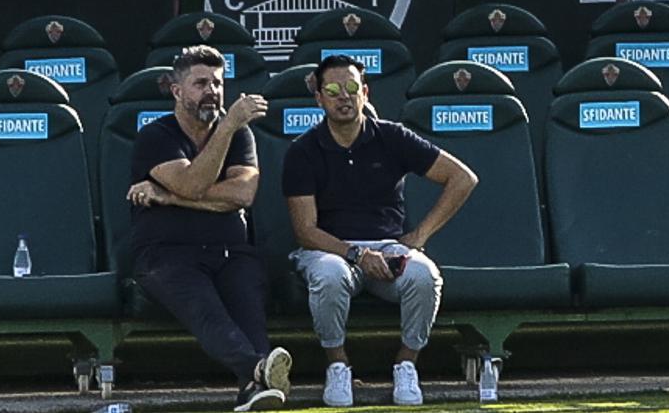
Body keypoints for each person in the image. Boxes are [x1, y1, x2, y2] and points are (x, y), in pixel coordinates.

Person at [282, 55, 478, 407]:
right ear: (319, 99)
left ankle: (406, 365)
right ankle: (338, 366)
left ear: (365, 92)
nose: (343, 96)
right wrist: (357, 254)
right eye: (333, 89)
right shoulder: (302, 151)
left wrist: (418, 237)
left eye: (352, 88)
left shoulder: (392, 136)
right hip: (328, 250)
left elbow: (462, 178)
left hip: (388, 248)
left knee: (424, 275)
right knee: (329, 275)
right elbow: (305, 231)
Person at [127, 45, 292, 412]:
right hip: (166, 254)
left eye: (217, 83)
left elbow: (243, 194)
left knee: (248, 306)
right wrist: (229, 125)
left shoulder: (241, 136)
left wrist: (169, 198)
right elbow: (192, 183)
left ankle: (254, 387)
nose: (212, 91)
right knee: (207, 311)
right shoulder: (155, 136)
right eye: (201, 83)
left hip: (230, 249)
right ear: (177, 91)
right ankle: (258, 370)